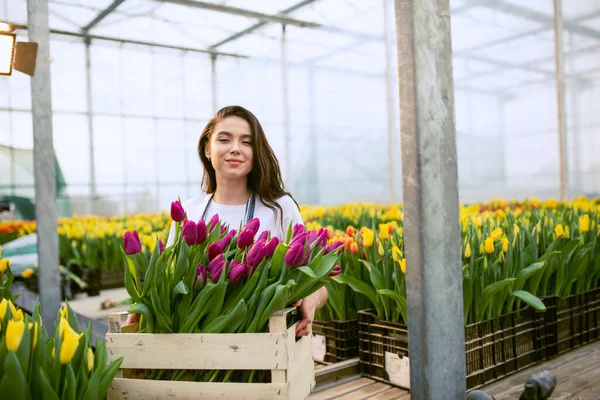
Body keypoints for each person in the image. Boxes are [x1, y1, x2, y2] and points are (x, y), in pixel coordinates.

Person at [127, 105, 327, 337]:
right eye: (224, 140)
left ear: (257, 152)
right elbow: (171, 282)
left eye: (247, 142)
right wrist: (147, 304)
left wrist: (310, 300)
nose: (235, 149)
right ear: (207, 149)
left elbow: (317, 284)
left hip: (261, 348)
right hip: (195, 349)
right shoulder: (189, 212)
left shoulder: (279, 208)